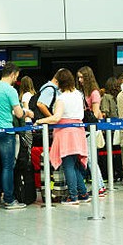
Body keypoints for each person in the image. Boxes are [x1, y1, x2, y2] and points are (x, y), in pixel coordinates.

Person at [35, 69, 91, 205]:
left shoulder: (62, 98)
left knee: (68, 165)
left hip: (65, 133)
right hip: (78, 131)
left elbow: (57, 117)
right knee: (75, 164)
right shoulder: (79, 94)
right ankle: (83, 193)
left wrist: (40, 121)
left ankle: (73, 196)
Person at [0, 62, 34, 210]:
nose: (15, 79)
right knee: (7, 166)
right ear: (12, 74)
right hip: (5, 131)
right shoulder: (10, 90)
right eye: (16, 76)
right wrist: (28, 112)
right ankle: (9, 200)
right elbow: (18, 113)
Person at [76, 66, 106, 196]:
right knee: (89, 159)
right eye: (78, 77)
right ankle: (100, 186)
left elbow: (95, 113)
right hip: (85, 129)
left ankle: (99, 186)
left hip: (91, 129)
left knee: (90, 159)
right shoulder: (82, 92)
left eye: (82, 77)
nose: (80, 80)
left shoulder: (94, 93)